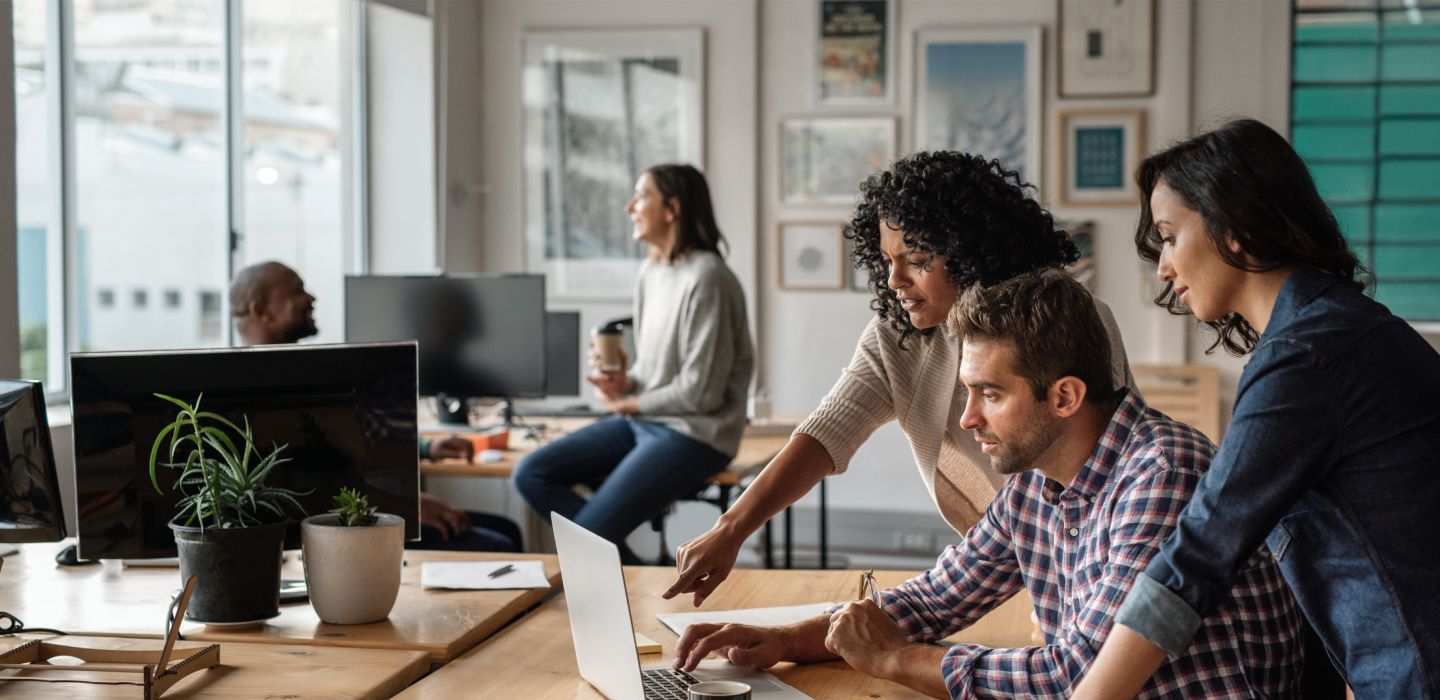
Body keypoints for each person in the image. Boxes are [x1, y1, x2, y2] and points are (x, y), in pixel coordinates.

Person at [673, 270, 1301, 698]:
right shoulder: (1039, 478)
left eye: (990, 394)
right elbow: (935, 598)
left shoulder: (1161, 475)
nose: (968, 420)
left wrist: (895, 660)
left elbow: (1071, 679)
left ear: (1065, 396)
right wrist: (789, 639)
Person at [1073, 119, 1440, 698]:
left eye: (1170, 236)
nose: (1164, 268)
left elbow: (1199, 553)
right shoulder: (1340, 330)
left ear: (1235, 227)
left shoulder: (1305, 359)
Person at [667, 151, 1135, 605]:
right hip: (997, 559)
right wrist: (730, 530)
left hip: (1093, 556)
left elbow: (1106, 466)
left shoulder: (1066, 322)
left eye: (915, 259)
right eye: (887, 260)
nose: (894, 280)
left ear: (973, 251)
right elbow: (826, 432)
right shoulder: (900, 337)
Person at [512, 164, 754, 565]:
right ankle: (633, 575)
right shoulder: (650, 273)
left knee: (588, 536)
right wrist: (624, 383)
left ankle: (622, 578)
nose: (629, 207)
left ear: (672, 208)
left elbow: (701, 392)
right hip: (647, 423)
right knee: (531, 473)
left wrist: (627, 404)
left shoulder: (709, 279)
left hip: (696, 435)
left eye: (641, 196)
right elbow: (655, 376)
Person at [229, 261, 520, 552]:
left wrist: (426, 450)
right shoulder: (255, 394)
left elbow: (352, 444)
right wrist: (406, 509)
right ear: (260, 311)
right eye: (297, 291)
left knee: (506, 529)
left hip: (366, 508)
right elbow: (312, 491)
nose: (311, 298)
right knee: (500, 543)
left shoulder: (297, 376)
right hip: (340, 531)